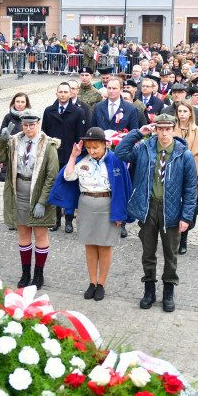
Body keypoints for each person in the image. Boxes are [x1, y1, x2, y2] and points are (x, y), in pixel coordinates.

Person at [114, 114, 198, 313]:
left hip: (171, 210)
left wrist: (186, 216)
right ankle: (149, 290)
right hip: (148, 208)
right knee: (148, 252)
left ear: (173, 130)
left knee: (171, 253)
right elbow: (120, 153)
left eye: (168, 129)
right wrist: (137, 133)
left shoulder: (183, 155)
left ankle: (168, 291)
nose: (164, 133)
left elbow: (190, 188)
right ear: (155, 129)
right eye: (160, 129)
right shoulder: (144, 149)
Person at [49, 127, 132, 302]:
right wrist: (73, 156)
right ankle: (92, 282)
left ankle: (102, 283)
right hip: (86, 204)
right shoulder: (82, 160)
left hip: (107, 205)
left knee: (105, 245)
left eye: (95, 147)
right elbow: (69, 177)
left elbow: (123, 188)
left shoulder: (116, 160)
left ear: (104, 145)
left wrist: (120, 215)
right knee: (90, 245)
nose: (92, 151)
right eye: (89, 147)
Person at [0, 109, 60, 289]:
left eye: (32, 125)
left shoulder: (48, 145)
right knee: (23, 234)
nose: (28, 128)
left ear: (38, 124)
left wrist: (42, 201)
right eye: (25, 125)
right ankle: (25, 272)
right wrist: (1, 140)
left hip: (38, 192)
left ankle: (39, 274)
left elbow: (52, 176)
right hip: (19, 191)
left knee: (40, 234)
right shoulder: (14, 141)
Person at [42, 82, 87, 234]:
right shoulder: (49, 111)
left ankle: (68, 220)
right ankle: (55, 220)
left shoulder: (78, 112)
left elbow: (81, 135)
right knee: (54, 186)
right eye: (60, 92)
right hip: (54, 155)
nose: (62, 94)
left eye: (65, 92)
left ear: (71, 94)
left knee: (69, 188)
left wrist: (77, 155)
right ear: (56, 94)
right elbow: (44, 134)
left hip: (70, 156)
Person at [173, 101, 198, 255]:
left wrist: (187, 165)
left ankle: (184, 240)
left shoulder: (197, 131)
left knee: (188, 207)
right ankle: (173, 238)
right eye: (180, 111)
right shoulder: (172, 129)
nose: (182, 114)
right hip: (173, 175)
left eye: (185, 111)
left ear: (190, 113)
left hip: (190, 175)